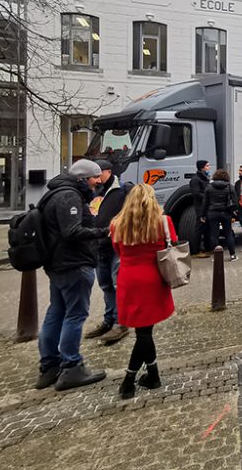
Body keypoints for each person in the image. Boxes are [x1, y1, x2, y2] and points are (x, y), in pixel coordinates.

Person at [36, 159, 110, 391]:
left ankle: (49, 366)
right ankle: (71, 366)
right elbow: (72, 231)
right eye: (94, 178)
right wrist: (105, 232)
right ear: (82, 178)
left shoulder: (53, 193)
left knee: (56, 312)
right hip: (73, 263)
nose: (97, 183)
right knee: (75, 315)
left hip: (58, 264)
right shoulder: (69, 196)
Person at [109, 184, 175, 399]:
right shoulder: (163, 222)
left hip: (129, 280)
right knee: (144, 332)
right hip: (154, 279)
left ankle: (148, 376)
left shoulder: (117, 224)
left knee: (142, 331)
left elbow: (117, 250)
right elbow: (171, 243)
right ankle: (132, 379)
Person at [84, 160, 131, 345]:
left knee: (117, 284)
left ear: (109, 172)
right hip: (98, 246)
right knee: (105, 285)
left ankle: (121, 323)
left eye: (98, 173)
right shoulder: (93, 190)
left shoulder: (122, 191)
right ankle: (109, 319)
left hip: (116, 245)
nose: (95, 178)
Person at [202, 169, 238, 259]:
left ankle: (216, 257)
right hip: (226, 213)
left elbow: (205, 202)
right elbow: (235, 201)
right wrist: (233, 211)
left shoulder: (209, 187)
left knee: (214, 235)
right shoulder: (230, 186)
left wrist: (202, 215)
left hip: (212, 213)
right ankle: (232, 255)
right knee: (228, 234)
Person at [189, 160, 211, 257]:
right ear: (202, 167)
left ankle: (207, 248)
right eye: (207, 166)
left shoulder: (205, 178)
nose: (208, 167)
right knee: (199, 229)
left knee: (207, 229)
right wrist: (209, 197)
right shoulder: (196, 179)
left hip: (206, 207)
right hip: (201, 208)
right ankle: (195, 251)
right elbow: (196, 194)